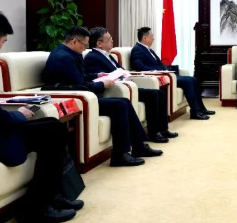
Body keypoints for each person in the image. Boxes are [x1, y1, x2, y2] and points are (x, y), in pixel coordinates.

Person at [0, 10, 82, 223]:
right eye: (2, 42)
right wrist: (19, 114)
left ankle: (53, 195)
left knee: (52, 126)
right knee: (54, 131)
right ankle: (35, 210)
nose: (0, 48)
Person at [43, 27, 162, 167]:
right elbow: (80, 86)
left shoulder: (66, 53)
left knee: (124, 102)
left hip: (81, 95)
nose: (85, 48)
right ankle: (120, 155)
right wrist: (102, 84)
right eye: (84, 45)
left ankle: (138, 146)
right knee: (120, 105)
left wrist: (96, 75)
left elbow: (79, 78)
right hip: (76, 99)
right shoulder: (64, 58)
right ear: (74, 41)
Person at [84, 27, 178, 143]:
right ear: (99, 43)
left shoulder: (108, 55)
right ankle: (153, 133)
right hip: (115, 89)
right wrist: (120, 78)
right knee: (152, 95)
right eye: (109, 39)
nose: (112, 41)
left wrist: (126, 75)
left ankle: (163, 129)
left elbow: (121, 70)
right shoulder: (92, 57)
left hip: (125, 84)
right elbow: (95, 78)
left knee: (160, 93)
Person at [131, 27, 214, 120]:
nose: (153, 38)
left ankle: (201, 109)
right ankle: (195, 112)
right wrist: (158, 70)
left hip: (166, 74)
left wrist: (165, 68)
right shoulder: (137, 50)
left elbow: (159, 63)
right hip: (159, 77)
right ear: (145, 38)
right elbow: (139, 67)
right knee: (188, 82)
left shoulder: (148, 49)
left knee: (193, 79)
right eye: (151, 36)